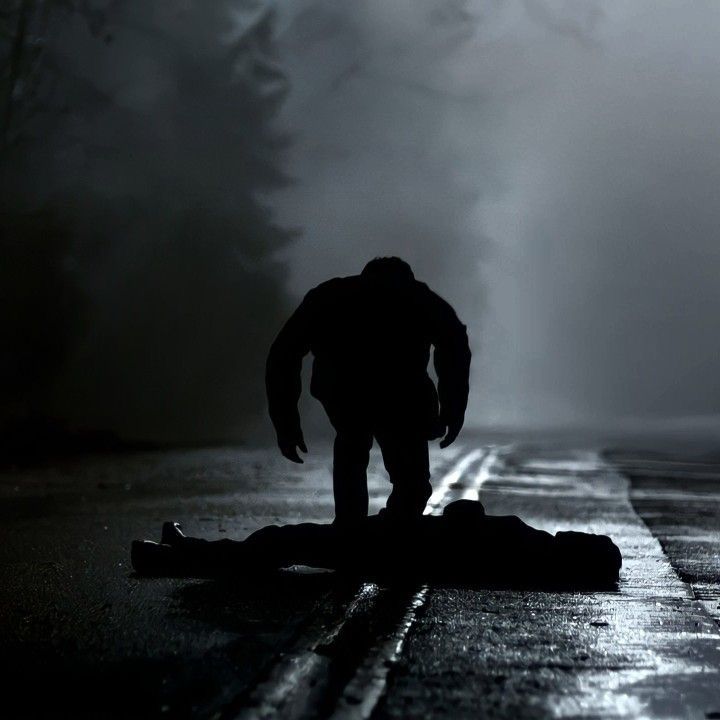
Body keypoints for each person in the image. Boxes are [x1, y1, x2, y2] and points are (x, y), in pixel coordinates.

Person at [265, 257, 471, 525]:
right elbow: (454, 346)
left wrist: (286, 423)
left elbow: (284, 353)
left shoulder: (329, 297)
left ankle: (353, 535)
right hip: (398, 397)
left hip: (349, 394)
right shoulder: (418, 297)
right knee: (410, 483)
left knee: (353, 451)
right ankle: (386, 533)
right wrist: (452, 409)